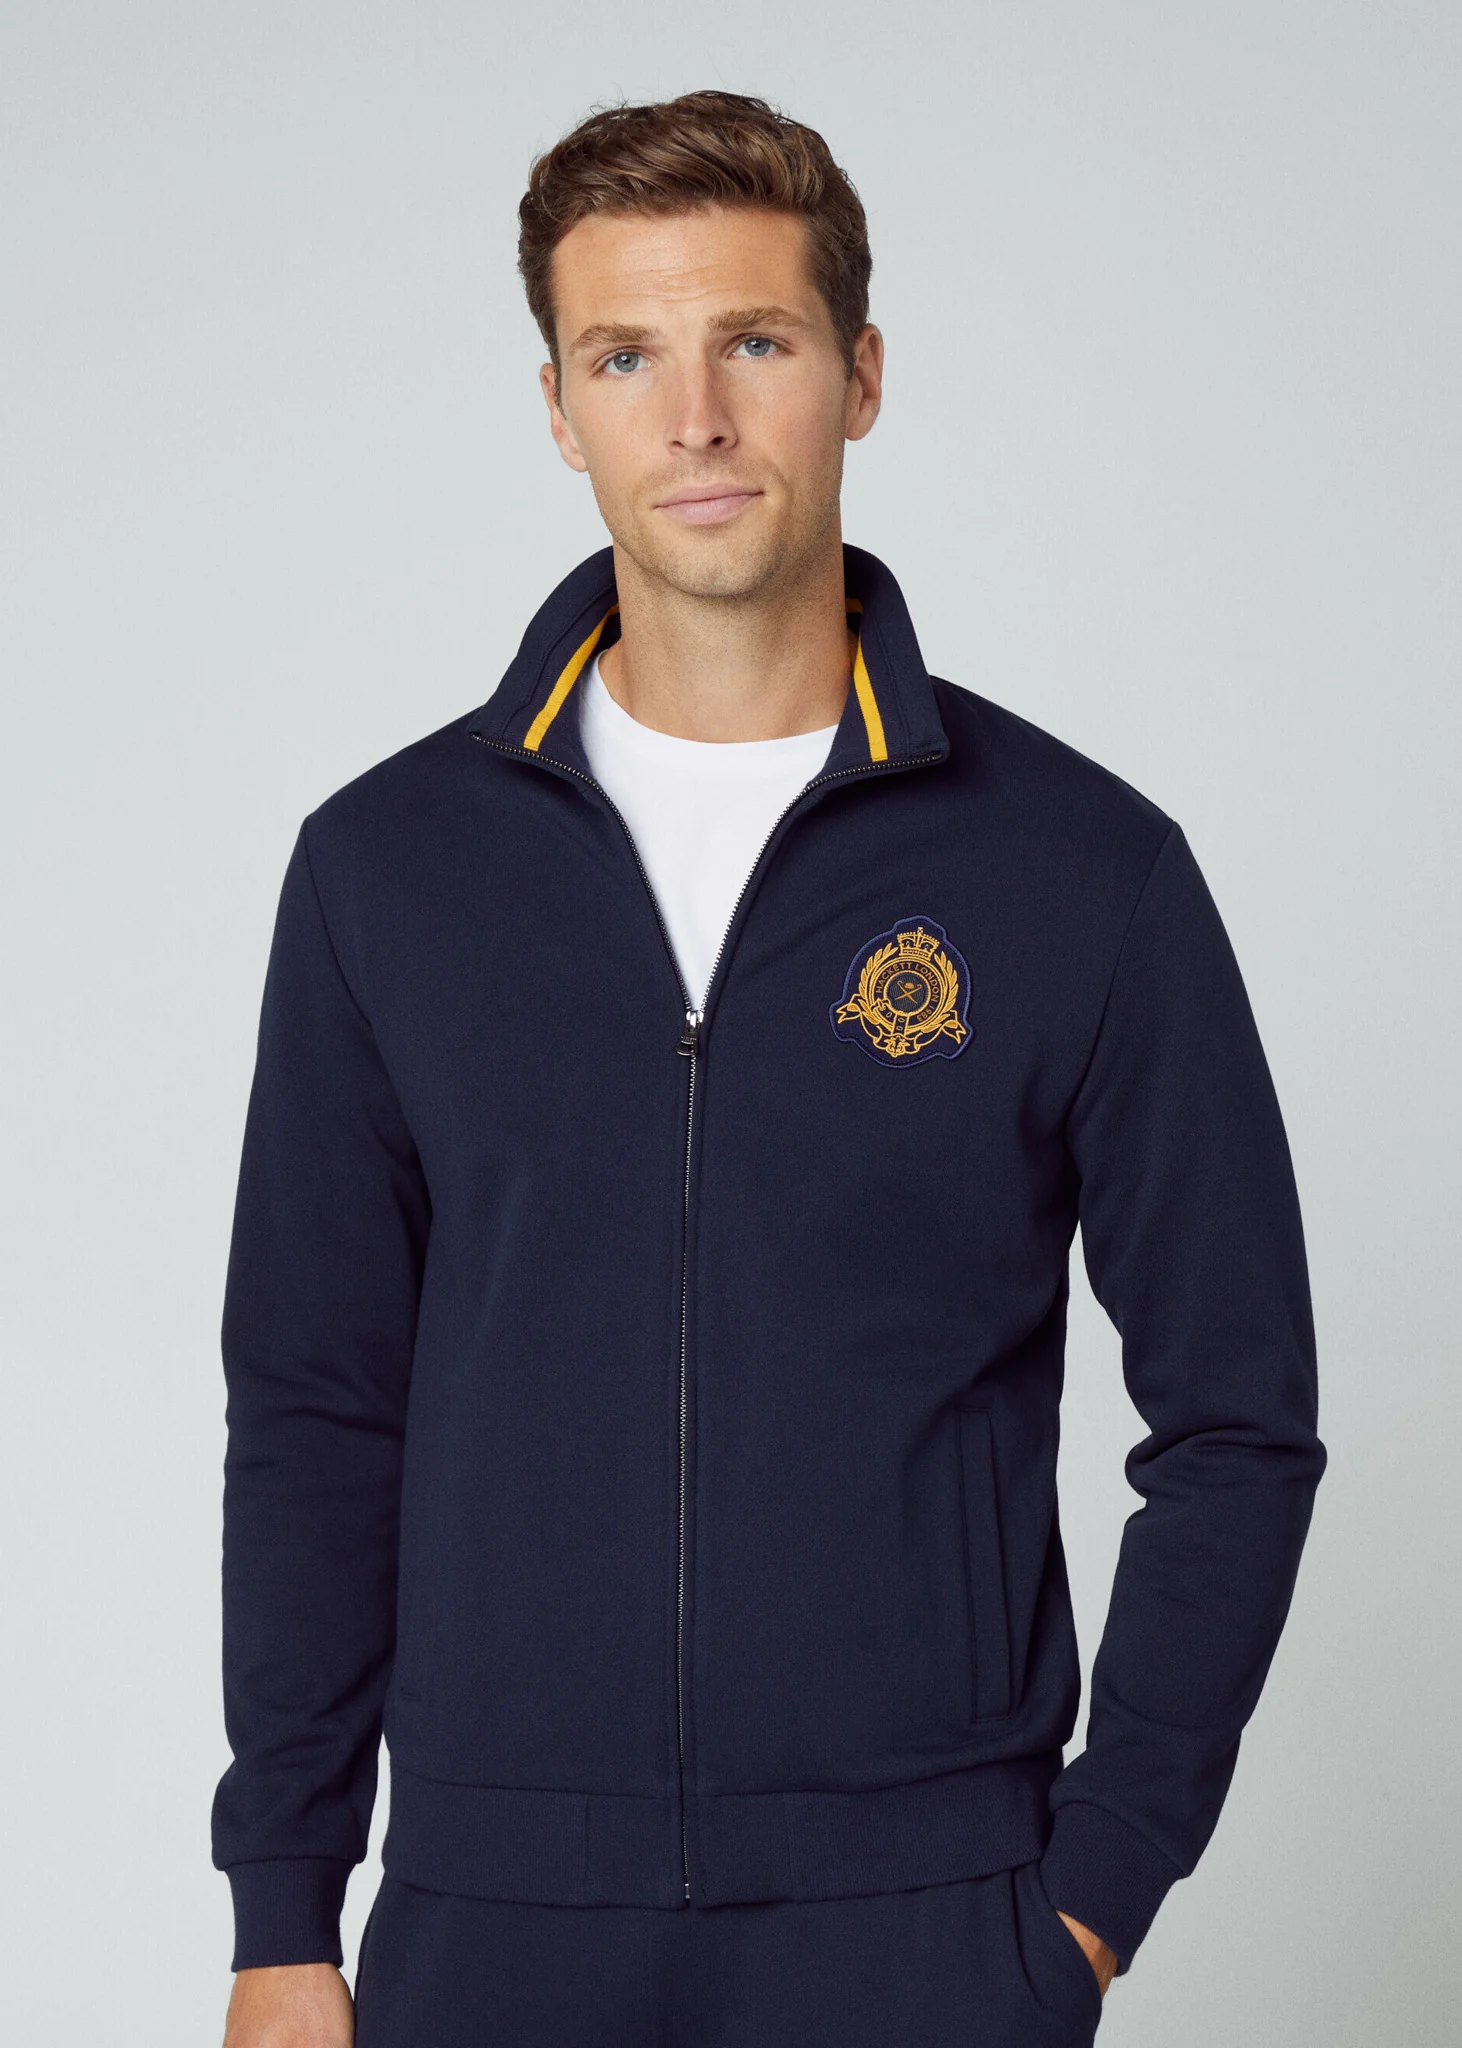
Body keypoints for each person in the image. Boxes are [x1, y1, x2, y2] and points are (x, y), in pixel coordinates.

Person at [215, 90, 1325, 2048]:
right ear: (557, 409)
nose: (695, 419)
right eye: (622, 357)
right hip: (492, 1924)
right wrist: (283, 1916)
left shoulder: (1078, 872)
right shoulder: (388, 872)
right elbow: (316, 1410)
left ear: (859, 374)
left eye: (754, 341)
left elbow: (1235, 1413)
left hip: (925, 1927)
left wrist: (1091, 1890)